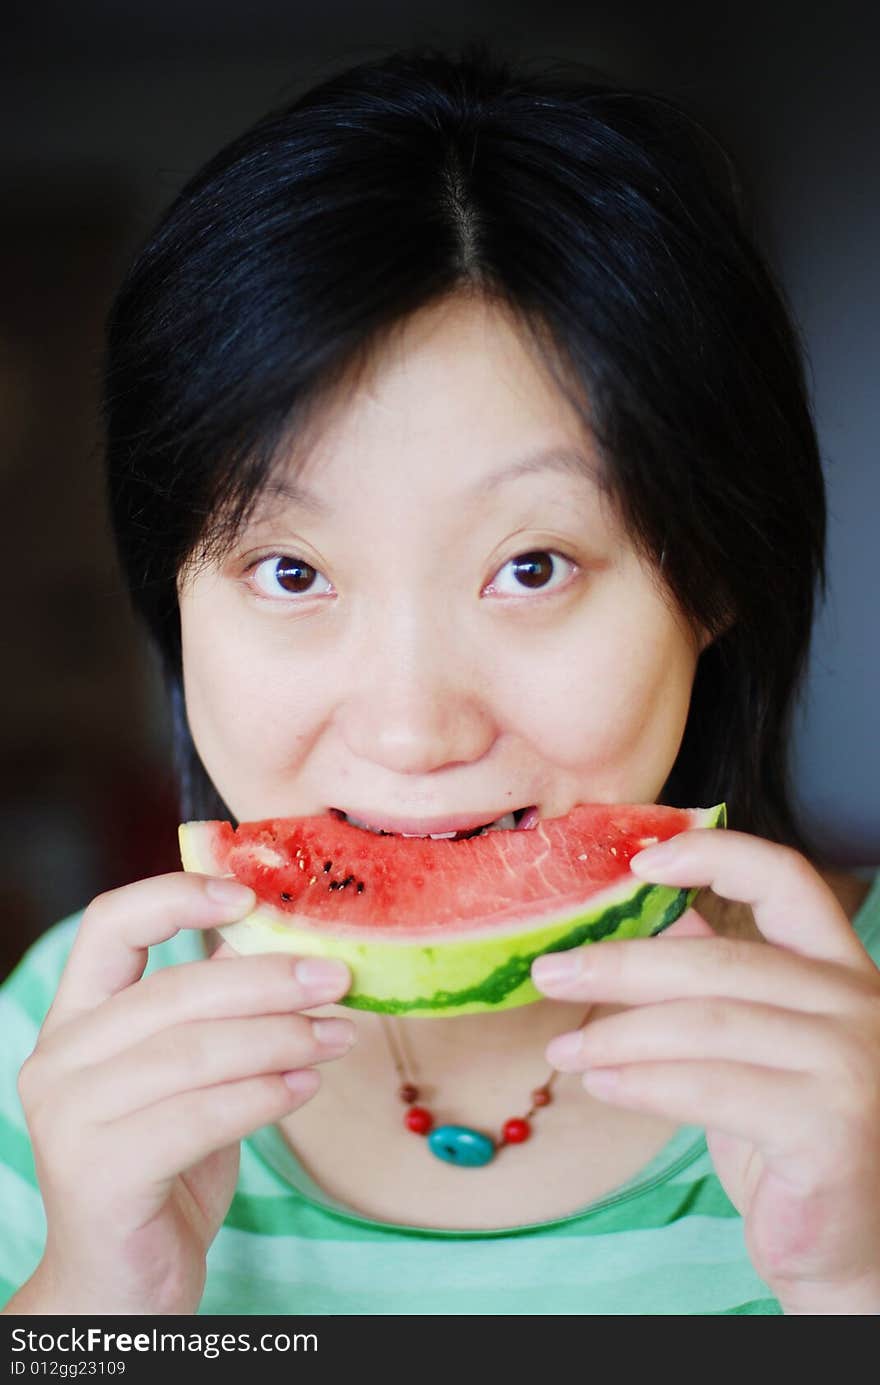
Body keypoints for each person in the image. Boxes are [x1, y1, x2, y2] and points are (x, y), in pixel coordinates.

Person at [2, 39, 879, 1318]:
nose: (412, 728)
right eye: (291, 572)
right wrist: (94, 1300)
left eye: (531, 565)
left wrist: (853, 1279)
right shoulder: (61, 1036)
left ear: (714, 571)